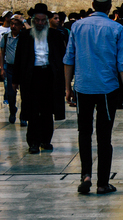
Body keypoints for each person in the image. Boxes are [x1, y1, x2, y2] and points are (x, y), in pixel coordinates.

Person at [63, 0, 123, 194]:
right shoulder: (116, 28)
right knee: (104, 136)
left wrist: (68, 87)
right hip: (107, 89)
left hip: (83, 87)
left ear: (93, 5)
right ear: (110, 7)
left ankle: (85, 175)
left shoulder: (77, 26)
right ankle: (103, 183)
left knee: (84, 132)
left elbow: (69, 58)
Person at [12, 3, 66, 154]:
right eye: (38, 21)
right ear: (33, 20)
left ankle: (46, 140)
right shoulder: (25, 36)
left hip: (49, 75)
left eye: (43, 21)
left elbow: (62, 57)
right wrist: (15, 80)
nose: (40, 24)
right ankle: (33, 142)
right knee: (32, 110)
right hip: (31, 76)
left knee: (48, 110)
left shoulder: (55, 36)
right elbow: (19, 59)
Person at [0, 14, 27, 126]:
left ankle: (23, 116)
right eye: (12, 24)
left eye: (16, 24)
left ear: (21, 26)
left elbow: (33, 32)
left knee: (25, 94)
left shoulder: (25, 37)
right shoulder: (6, 37)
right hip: (10, 68)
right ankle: (12, 110)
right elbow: (1, 52)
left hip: (23, 68)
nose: (13, 26)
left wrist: (24, 20)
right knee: (11, 93)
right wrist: (2, 68)